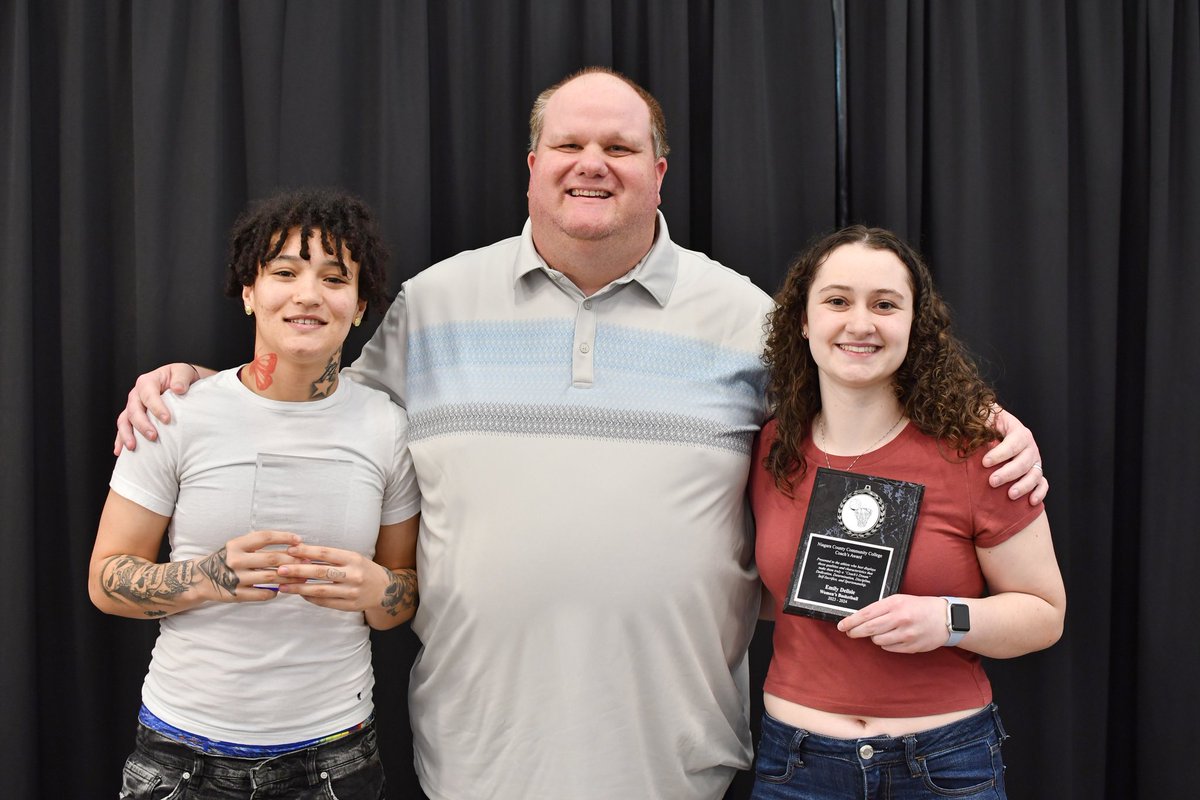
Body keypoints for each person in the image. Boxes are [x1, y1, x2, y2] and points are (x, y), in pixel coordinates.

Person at [111, 69, 1047, 800]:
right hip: (475, 754)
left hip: (682, 757)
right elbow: (317, 398)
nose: (591, 162)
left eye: (619, 146)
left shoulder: (744, 316)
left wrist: (980, 423)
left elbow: (860, 402)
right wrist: (198, 383)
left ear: (658, 171)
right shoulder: (435, 305)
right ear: (532, 166)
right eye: (568, 143)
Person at [90, 188, 421, 799]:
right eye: (284, 272)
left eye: (334, 277)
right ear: (249, 292)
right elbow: (106, 581)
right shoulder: (173, 414)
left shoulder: (388, 427)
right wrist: (209, 577)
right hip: (180, 754)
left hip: (335, 758)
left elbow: (400, 600)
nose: (307, 294)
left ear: (360, 302)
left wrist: (378, 589)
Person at [749, 226, 1066, 799]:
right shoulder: (770, 448)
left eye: (885, 305)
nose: (861, 324)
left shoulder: (981, 451)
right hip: (795, 767)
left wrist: (946, 620)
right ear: (803, 318)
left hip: (943, 767)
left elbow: (1044, 614)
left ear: (914, 323)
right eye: (838, 300)